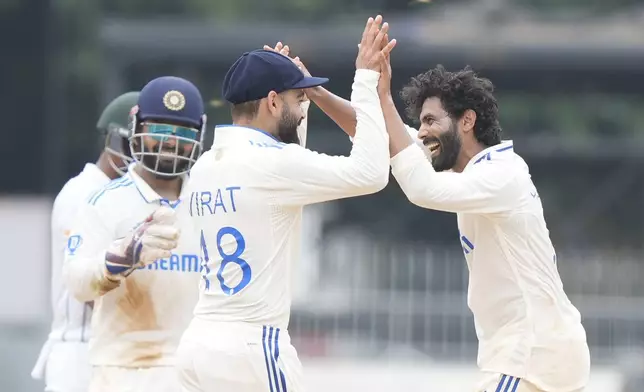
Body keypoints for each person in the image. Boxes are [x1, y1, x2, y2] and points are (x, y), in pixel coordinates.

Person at [283, 34, 591, 392]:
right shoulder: (466, 167)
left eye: (431, 121)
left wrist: (378, 94)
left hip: (532, 356)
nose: (424, 131)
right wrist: (315, 91)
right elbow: (380, 139)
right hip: (534, 353)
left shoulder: (501, 173)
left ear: (467, 121)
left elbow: (421, 189)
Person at [175, 15, 395, 392]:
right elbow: (373, 173)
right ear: (273, 102)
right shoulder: (272, 165)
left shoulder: (208, 164)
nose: (304, 105)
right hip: (253, 347)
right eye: (299, 99)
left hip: (198, 344)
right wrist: (365, 81)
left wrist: (291, 84)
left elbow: (289, 162)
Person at [62, 76, 207, 392]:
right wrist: (118, 260)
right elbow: (76, 282)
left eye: (183, 132)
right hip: (123, 372)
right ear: (136, 127)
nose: (169, 141)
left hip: (195, 372)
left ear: (199, 134)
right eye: (158, 128)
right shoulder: (105, 201)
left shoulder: (210, 202)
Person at [31, 91, 138, 392]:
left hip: (109, 351)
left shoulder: (122, 196)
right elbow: (88, 290)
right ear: (118, 142)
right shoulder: (82, 194)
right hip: (80, 348)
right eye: (137, 146)